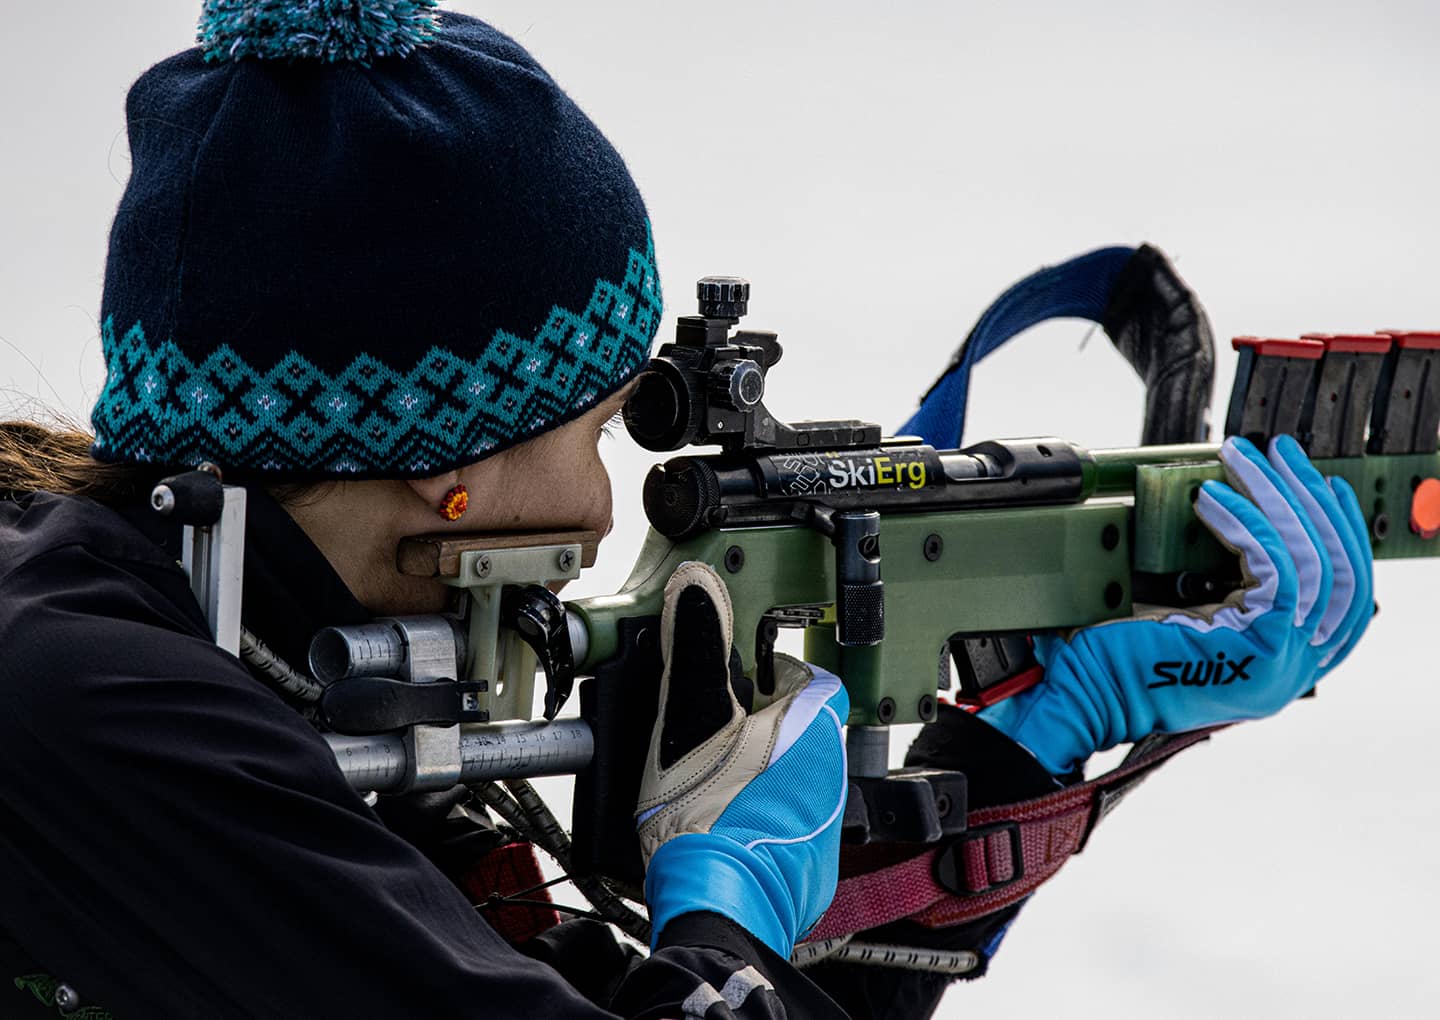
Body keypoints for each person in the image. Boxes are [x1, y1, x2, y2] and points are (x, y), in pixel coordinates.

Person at [0, 3, 1373, 1018]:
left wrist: (1022, 748)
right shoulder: (90, 713)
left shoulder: (241, 653)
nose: (604, 512)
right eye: (596, 434)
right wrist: (725, 911)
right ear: (443, 460)